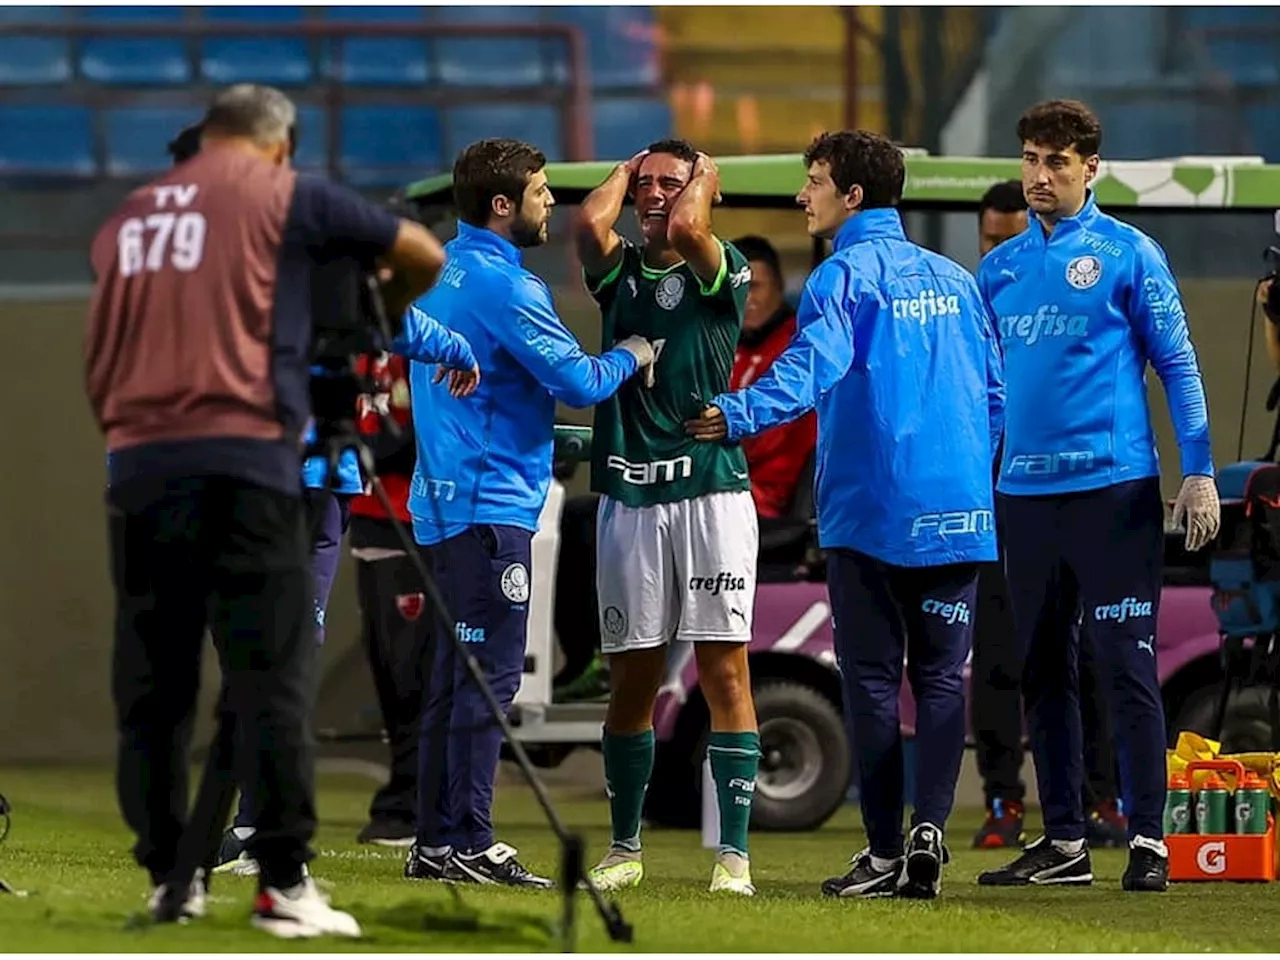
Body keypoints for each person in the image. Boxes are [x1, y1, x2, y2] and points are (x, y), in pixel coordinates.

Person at [83, 84, 468, 937]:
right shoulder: (282, 194)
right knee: (275, 671)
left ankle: (168, 878)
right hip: (254, 457)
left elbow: (102, 353)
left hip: (142, 463)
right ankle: (283, 882)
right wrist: (374, 325)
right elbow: (418, 252)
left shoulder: (129, 219)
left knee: (155, 681)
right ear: (278, 143)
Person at [686, 130, 1004, 900]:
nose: (804, 195)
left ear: (852, 195)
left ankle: (885, 850)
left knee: (867, 679)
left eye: (815, 181)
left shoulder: (842, 276)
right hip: (959, 507)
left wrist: (737, 411)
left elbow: (810, 367)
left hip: (872, 510)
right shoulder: (957, 279)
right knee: (939, 680)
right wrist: (968, 476)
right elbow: (996, 394)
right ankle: (931, 831)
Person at [975, 99, 1219, 893]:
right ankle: (1065, 842)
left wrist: (1200, 469)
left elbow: (1178, 367)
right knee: (1041, 669)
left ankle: (1149, 838)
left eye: (1055, 162)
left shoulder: (1129, 254)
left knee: (1124, 664)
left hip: (1114, 494)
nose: (1039, 176)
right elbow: (986, 393)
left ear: (1090, 168)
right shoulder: (999, 269)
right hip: (1023, 498)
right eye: (1029, 160)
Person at [401, 138, 655, 888]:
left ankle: (433, 841)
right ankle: (471, 842)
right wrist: (636, 353)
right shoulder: (506, 287)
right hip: (489, 511)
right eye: (541, 191)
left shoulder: (441, 270)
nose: (551, 203)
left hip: (442, 507)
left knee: (455, 680)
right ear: (504, 205)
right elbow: (577, 379)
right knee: (489, 679)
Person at [574, 139, 761, 897]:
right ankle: (624, 847)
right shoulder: (618, 270)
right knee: (632, 680)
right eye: (643, 184)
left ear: (700, 188)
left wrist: (702, 180)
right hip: (628, 496)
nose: (655, 196)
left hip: (711, 493)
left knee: (724, 670)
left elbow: (687, 229)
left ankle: (734, 857)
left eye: (669, 184)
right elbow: (587, 227)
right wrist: (625, 171)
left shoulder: (724, 264)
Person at [969, 180, 1128, 850]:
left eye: (1013, 237)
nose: (1004, 249)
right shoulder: (983, 292)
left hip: (1075, 490)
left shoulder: (1073, 290)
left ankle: (1104, 799)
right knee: (1002, 653)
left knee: (1089, 650)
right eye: (993, 239)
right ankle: (1004, 800)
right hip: (998, 495)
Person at [728, 235, 817, 525]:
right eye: (738, 289)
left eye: (754, 287)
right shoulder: (724, 346)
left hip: (766, 501)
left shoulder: (801, 349)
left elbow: (763, 436)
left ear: (779, 287)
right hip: (720, 490)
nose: (747, 299)